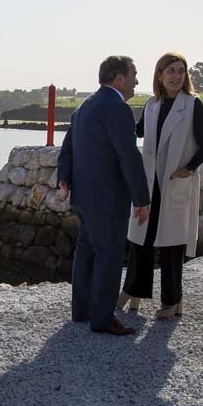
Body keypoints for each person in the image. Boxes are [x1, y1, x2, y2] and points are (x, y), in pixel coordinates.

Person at [57, 55, 150, 336]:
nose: (137, 81)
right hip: (108, 198)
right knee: (108, 255)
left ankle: (82, 311)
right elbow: (128, 155)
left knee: (86, 253)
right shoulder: (116, 108)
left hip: (84, 197)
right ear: (119, 78)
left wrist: (64, 179)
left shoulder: (85, 107)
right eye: (134, 74)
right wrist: (142, 198)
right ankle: (103, 319)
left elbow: (68, 148)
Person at [118, 52, 203, 319]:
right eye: (170, 70)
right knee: (141, 239)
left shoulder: (193, 105)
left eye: (181, 71)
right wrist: (111, 116)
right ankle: (133, 291)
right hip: (150, 182)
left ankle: (172, 300)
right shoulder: (151, 104)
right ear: (159, 75)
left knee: (172, 245)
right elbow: (136, 131)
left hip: (174, 182)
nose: (176, 75)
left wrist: (188, 168)